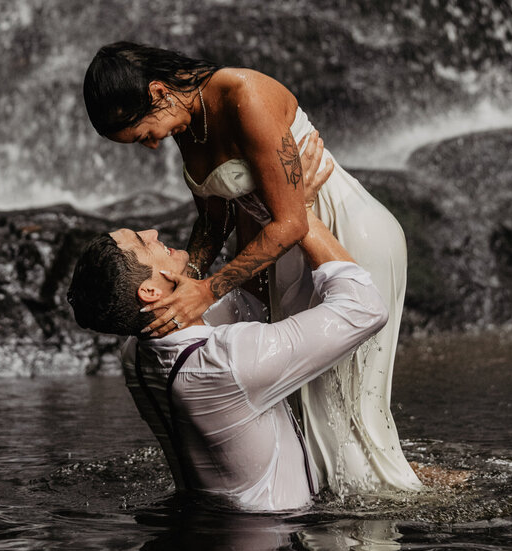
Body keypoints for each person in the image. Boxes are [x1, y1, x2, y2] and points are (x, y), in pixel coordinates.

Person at [83, 41, 421, 494]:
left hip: (342, 235)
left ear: (160, 92)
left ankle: (384, 508)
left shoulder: (246, 96)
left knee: (344, 405)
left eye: (145, 133)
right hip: (283, 250)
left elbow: (292, 220)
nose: (151, 145)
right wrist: (186, 283)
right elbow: (213, 219)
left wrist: (206, 291)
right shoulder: (186, 120)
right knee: (304, 403)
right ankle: (331, 511)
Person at [66, 149, 388, 513]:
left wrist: (256, 206)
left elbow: (248, 301)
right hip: (276, 548)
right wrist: (298, 214)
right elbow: (366, 307)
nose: (153, 231)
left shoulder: (137, 352)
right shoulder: (225, 363)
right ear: (150, 292)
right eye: (143, 243)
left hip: (218, 537)